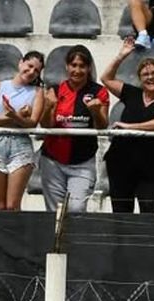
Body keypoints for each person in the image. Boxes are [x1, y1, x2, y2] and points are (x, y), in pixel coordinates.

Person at [101, 40, 154, 214]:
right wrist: (122, 55)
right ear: (140, 78)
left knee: (148, 209)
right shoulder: (131, 93)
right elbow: (106, 78)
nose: (150, 77)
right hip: (120, 162)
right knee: (121, 211)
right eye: (145, 74)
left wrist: (128, 127)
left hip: (149, 166)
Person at [39, 45, 109, 213]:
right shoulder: (55, 90)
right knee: (55, 212)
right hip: (53, 161)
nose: (77, 70)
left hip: (83, 162)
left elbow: (102, 126)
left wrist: (95, 111)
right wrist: (48, 107)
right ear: (67, 66)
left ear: (89, 68)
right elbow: (45, 125)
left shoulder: (99, 92)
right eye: (73, 65)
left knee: (76, 209)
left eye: (82, 66)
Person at [0, 50, 46, 211]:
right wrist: (15, 117)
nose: (31, 72)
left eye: (36, 70)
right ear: (21, 63)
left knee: (12, 205)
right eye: (29, 66)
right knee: (1, 205)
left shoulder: (37, 92)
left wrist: (14, 116)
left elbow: (32, 124)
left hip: (20, 146)